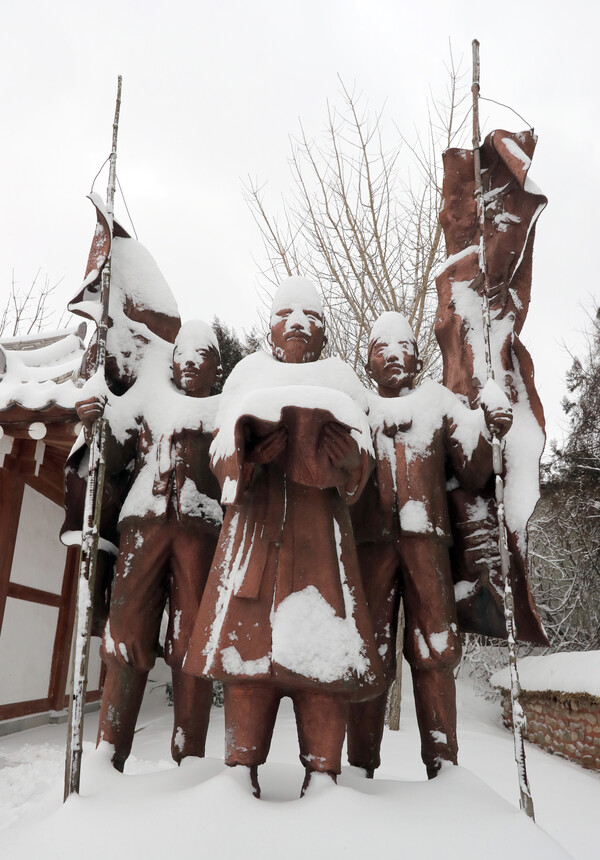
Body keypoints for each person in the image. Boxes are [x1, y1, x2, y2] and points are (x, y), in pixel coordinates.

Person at [184, 277, 385, 797]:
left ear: (323, 332)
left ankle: (324, 780)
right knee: (246, 665)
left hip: (321, 542)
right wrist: (247, 451)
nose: (297, 323)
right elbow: (216, 456)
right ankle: (236, 776)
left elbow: (366, 465)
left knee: (325, 666)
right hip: (254, 533)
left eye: (310, 316)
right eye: (287, 313)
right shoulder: (248, 374)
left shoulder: (342, 380)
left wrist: (349, 462)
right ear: (270, 324)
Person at [346, 311, 512, 779]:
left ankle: (444, 763)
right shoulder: (357, 407)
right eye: (382, 348)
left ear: (418, 358)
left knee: (436, 647)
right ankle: (360, 764)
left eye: (403, 346)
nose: (394, 355)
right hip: (370, 546)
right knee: (370, 647)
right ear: (369, 362)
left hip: (428, 546)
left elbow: (475, 468)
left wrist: (490, 425)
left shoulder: (438, 402)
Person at [76, 320, 223, 771]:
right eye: (185, 353)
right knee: (126, 632)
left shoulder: (226, 408)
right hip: (143, 525)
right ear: (173, 360)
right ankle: (109, 751)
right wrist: (96, 418)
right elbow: (114, 452)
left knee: (193, 639)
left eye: (204, 355)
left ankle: (190, 757)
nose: (191, 362)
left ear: (217, 369)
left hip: (199, 530)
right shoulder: (147, 397)